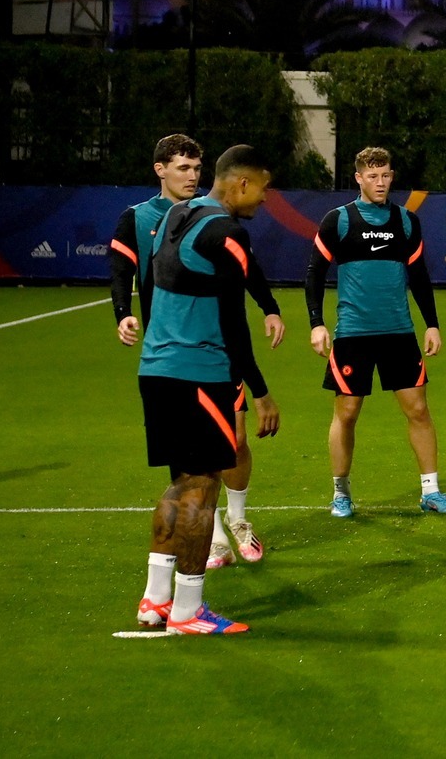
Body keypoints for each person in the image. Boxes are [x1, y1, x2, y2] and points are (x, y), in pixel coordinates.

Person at [111, 134, 285, 569]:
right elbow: (232, 322)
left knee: (185, 481)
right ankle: (191, 594)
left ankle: (158, 593)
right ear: (243, 184)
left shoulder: (178, 217)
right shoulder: (217, 230)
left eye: (196, 167)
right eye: (263, 189)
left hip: (159, 366)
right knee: (201, 486)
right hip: (203, 366)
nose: (265, 199)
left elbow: (239, 276)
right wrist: (261, 391)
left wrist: (269, 306)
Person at [306, 146, 446, 518]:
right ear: (358, 178)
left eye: (386, 175)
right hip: (353, 334)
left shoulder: (406, 221)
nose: (380, 182)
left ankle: (431, 491)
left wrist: (432, 323)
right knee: (347, 413)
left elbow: (418, 275)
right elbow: (315, 274)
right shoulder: (338, 220)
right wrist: (316, 323)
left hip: (399, 333)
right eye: (372, 176)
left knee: (418, 409)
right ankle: (341, 493)